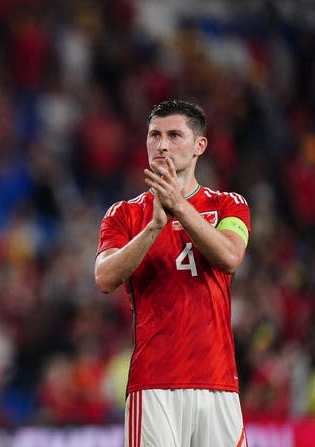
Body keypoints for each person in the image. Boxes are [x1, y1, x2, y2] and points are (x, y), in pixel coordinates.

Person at [94, 99, 250, 447]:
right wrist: (153, 228)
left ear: (199, 146)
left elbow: (229, 256)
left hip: (218, 381)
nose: (161, 145)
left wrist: (179, 206)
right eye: (154, 135)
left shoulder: (230, 205)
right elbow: (104, 277)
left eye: (174, 135)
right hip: (153, 382)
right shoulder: (123, 215)